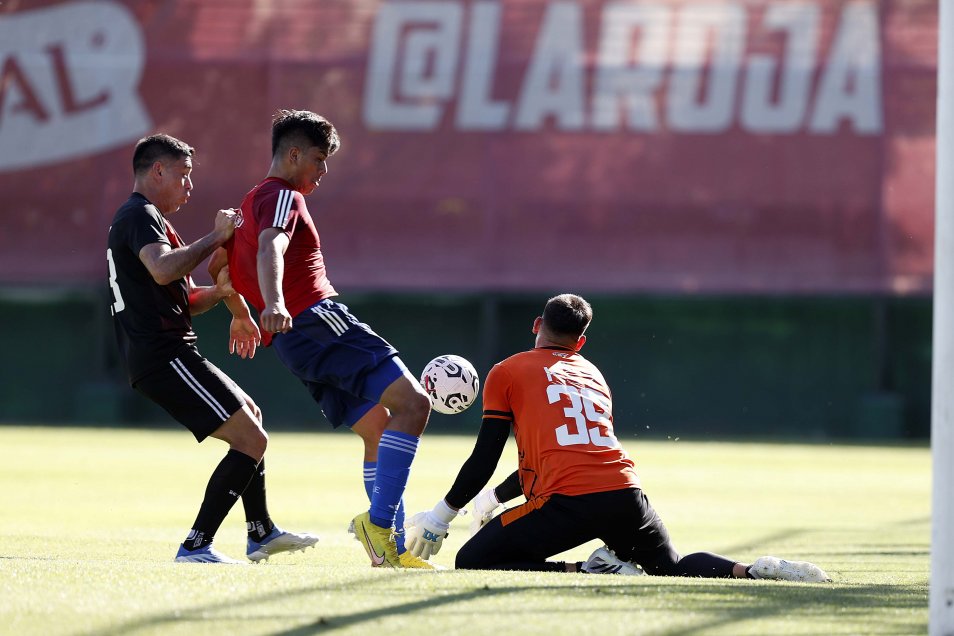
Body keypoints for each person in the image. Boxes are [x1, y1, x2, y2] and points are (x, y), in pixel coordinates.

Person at [405, 294, 831, 582]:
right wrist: (493, 498)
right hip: (625, 493)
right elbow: (569, 452)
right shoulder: (593, 374)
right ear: (580, 342)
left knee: (473, 559)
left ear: (537, 325)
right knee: (671, 567)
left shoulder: (507, 370)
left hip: (567, 502)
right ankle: (754, 570)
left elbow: (485, 455)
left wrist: (442, 516)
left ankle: (585, 570)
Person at [221, 109, 433, 569]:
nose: (324, 170)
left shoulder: (248, 202)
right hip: (316, 320)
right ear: (294, 154)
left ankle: (389, 551)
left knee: (378, 429)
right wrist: (274, 301)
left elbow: (223, 267)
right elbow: (272, 245)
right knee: (415, 404)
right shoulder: (283, 196)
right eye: (319, 159)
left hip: (292, 343)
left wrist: (240, 311)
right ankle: (380, 525)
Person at [107, 133, 319, 564]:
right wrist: (215, 236)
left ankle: (261, 532)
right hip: (162, 356)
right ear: (157, 171)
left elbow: (184, 299)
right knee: (251, 438)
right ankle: (196, 545)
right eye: (183, 175)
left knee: (252, 418)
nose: (189, 186)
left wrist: (221, 293)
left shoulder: (149, 220)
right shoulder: (139, 214)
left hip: (167, 353)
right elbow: (163, 270)